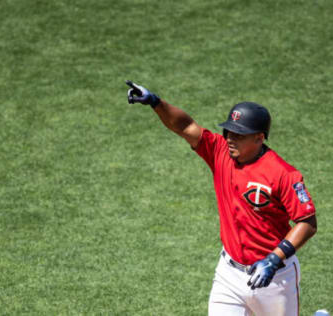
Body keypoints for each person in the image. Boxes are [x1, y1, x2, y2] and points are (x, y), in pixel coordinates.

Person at [125, 80, 318, 316]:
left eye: (239, 134)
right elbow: (185, 126)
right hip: (229, 275)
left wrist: (274, 259)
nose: (229, 138)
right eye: (228, 131)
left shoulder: (283, 174)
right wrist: (156, 102)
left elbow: (307, 222)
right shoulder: (219, 152)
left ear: (259, 138)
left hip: (275, 278)